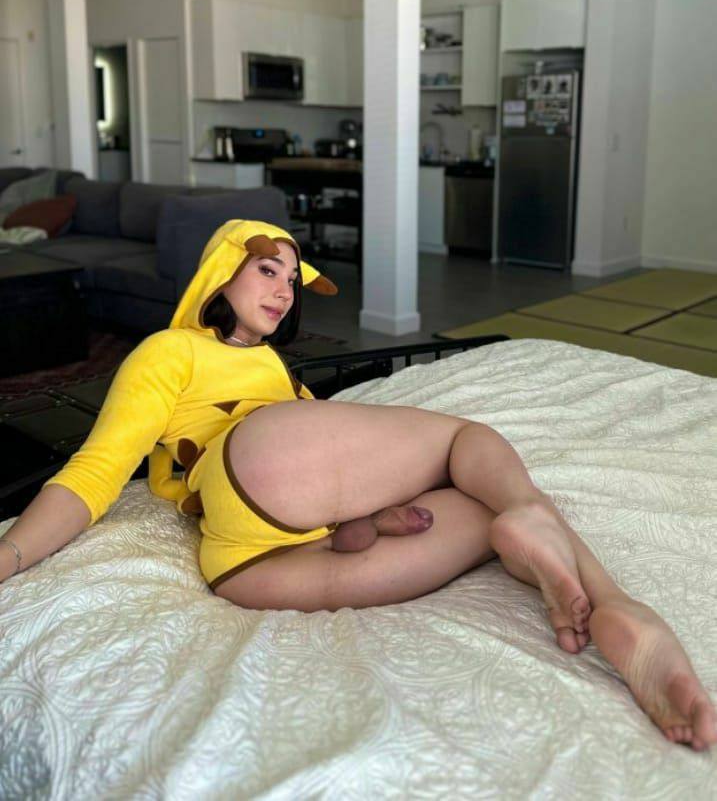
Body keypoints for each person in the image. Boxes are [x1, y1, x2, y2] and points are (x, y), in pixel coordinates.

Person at [1, 219, 715, 752]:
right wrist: (12, 552)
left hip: (251, 569)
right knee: (468, 444)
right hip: (257, 476)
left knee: (478, 511)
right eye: (268, 271)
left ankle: (556, 564)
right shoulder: (172, 350)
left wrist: (372, 514)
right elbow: (98, 468)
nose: (283, 291)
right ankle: (616, 598)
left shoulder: (276, 371)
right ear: (220, 272)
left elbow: (339, 464)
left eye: (292, 281)